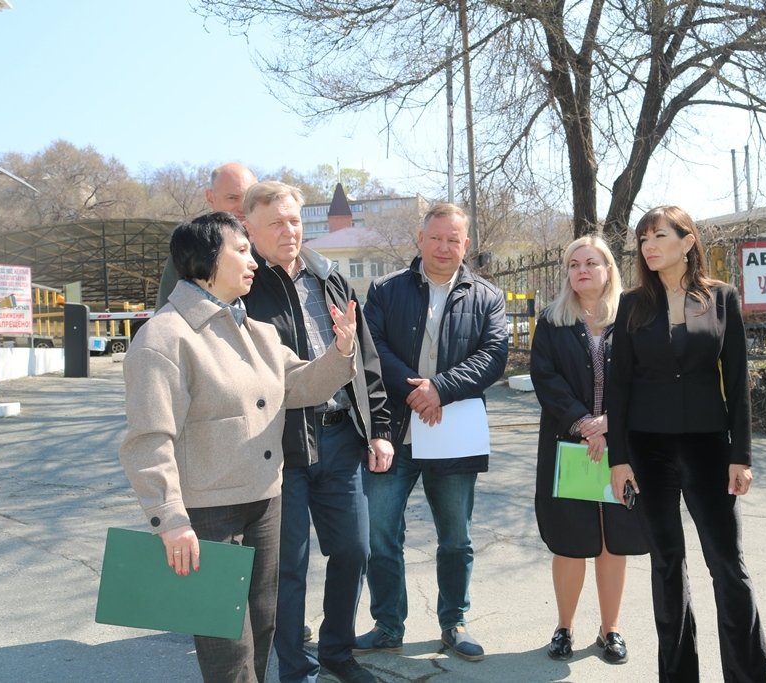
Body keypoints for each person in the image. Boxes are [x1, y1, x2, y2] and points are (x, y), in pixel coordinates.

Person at [119, 212, 357, 683]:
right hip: (208, 513)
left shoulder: (256, 330)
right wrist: (170, 519)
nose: (253, 261)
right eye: (242, 250)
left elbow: (299, 385)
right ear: (208, 259)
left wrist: (341, 350)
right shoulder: (165, 336)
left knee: (262, 630)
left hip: (265, 501)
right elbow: (149, 439)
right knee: (227, 648)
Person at [608, 206, 766, 682]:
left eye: (659, 236)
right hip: (648, 449)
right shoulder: (632, 304)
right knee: (666, 564)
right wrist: (619, 460)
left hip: (708, 447)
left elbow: (737, 381)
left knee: (728, 565)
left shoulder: (722, 298)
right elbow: (619, 387)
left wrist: (741, 454)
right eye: (643, 239)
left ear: (687, 241)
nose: (649, 246)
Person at [241, 181, 394, 683]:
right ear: (250, 228)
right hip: (277, 446)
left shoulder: (330, 278)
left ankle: (337, 653)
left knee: (354, 549)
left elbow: (365, 360)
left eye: (294, 221)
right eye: (276, 223)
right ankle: (296, 669)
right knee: (287, 566)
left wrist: (379, 429)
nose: (289, 231)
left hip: (340, 438)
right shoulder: (243, 287)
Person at [356, 202, 508, 661]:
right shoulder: (385, 290)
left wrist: (440, 388)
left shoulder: (487, 296)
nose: (444, 247)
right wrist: (416, 391)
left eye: (453, 240)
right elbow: (372, 348)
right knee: (380, 535)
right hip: (392, 432)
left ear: (466, 244)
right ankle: (387, 625)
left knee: (456, 538)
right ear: (420, 239)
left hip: (453, 432)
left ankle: (454, 622)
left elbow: (493, 356)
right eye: (436, 238)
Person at [529, 235, 648, 664]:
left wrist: (610, 422)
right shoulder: (552, 320)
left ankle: (610, 629)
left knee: (614, 539)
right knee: (570, 540)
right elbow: (545, 378)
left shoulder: (634, 317)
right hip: (567, 445)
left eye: (591, 262)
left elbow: (647, 377)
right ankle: (564, 627)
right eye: (574, 264)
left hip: (622, 447)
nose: (582, 270)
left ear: (608, 269)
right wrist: (583, 423)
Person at [155, 162, 258, 309]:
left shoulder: (274, 246)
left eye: (248, 198)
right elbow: (167, 311)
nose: (242, 207)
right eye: (232, 198)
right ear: (210, 198)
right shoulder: (193, 248)